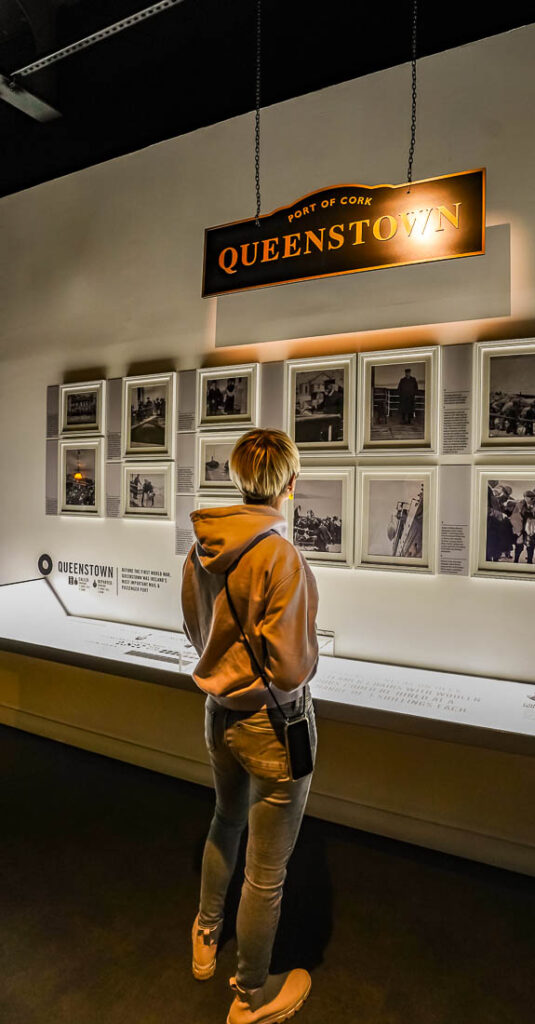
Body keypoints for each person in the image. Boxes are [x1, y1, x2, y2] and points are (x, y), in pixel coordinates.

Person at [182, 428, 318, 1024]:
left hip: (219, 715)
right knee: (267, 875)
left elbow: (195, 630)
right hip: (271, 724)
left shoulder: (201, 548)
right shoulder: (279, 555)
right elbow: (290, 669)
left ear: (239, 480)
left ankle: (207, 937)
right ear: (290, 484)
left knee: (223, 820)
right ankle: (250, 997)